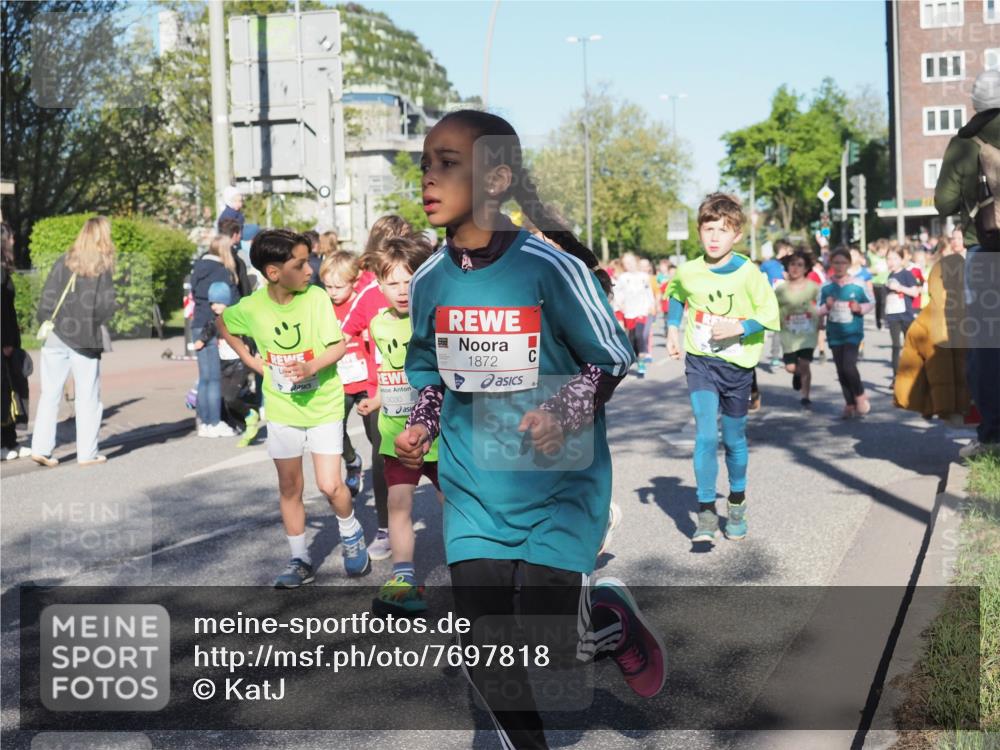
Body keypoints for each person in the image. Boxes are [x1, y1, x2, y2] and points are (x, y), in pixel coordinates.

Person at [395, 109, 664, 749]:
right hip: (473, 489)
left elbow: (612, 354)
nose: (429, 178)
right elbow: (427, 368)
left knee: (553, 645)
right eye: (425, 164)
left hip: (557, 485)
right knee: (483, 641)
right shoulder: (429, 278)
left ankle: (607, 620)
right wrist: (422, 424)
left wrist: (564, 411)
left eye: (448, 164)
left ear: (497, 180)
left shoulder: (548, 265)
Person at [218, 228, 369, 586]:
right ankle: (299, 559)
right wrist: (251, 360)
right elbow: (223, 323)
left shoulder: (315, 298)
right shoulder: (253, 306)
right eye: (300, 264)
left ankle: (350, 532)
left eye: (309, 262)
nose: (309, 271)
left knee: (331, 486)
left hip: (323, 404)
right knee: (289, 487)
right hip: (284, 410)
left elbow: (337, 347)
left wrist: (311, 367)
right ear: (274, 273)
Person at [666, 193, 780, 543]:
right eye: (709, 228)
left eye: (723, 229)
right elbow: (677, 292)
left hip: (738, 366)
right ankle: (704, 513)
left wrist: (739, 328)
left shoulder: (749, 273)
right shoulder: (689, 270)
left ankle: (736, 502)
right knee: (704, 435)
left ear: (737, 235)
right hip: (701, 362)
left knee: (733, 440)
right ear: (699, 231)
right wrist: (672, 329)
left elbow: (768, 314)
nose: (715, 236)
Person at [361, 235, 443, 616]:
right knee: (398, 504)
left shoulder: (435, 319)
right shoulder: (378, 325)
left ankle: (475, 572)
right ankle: (404, 578)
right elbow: (385, 372)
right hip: (395, 431)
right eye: (392, 282)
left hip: (439, 434)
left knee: (454, 504)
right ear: (379, 285)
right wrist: (375, 399)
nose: (402, 290)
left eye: (410, 281)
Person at [338, 214, 413, 561]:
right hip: (381, 391)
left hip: (424, 387)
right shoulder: (369, 292)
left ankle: (462, 528)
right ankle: (386, 528)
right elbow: (343, 333)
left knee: (442, 460)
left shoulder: (420, 283)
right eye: (395, 240)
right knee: (385, 459)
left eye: (407, 240)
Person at [934, 69, 1000, 456]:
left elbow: (943, 202)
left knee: (989, 347)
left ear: (975, 103)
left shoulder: (965, 143)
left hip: (986, 249)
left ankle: (992, 436)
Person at [30, 217, 117, 467]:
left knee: (49, 394)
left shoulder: (65, 260)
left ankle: (41, 448)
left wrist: (47, 320)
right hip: (85, 339)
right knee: (87, 396)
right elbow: (105, 307)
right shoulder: (101, 267)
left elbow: (47, 297)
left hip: (57, 335)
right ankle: (87, 453)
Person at [320, 251, 372, 499]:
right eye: (328, 286)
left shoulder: (364, 302)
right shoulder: (323, 307)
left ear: (354, 280)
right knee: (334, 430)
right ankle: (352, 461)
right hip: (339, 381)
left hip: (366, 380)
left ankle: (388, 475)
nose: (332, 292)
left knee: (376, 435)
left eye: (338, 286)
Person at [193, 281, 260, 445]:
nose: (215, 306)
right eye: (212, 303)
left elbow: (250, 333)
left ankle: (251, 414)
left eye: (218, 302)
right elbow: (209, 329)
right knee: (224, 397)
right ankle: (246, 424)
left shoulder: (235, 317)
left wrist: (252, 349)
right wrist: (201, 340)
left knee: (230, 397)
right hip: (224, 365)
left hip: (239, 364)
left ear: (227, 301)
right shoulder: (215, 321)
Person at [190, 235, 239, 438]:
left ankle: (203, 422)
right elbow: (231, 299)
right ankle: (214, 422)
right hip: (212, 325)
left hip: (197, 324)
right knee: (214, 378)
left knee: (204, 378)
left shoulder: (198, 268)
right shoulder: (221, 271)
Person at [819, 248, 873, 419]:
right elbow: (816, 309)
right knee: (840, 369)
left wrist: (860, 308)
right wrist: (825, 307)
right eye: (836, 262)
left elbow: (871, 301)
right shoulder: (826, 286)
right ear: (831, 264)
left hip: (853, 332)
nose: (840, 266)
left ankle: (860, 395)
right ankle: (849, 404)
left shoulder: (858, 284)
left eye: (843, 262)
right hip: (835, 333)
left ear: (849, 264)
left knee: (849, 366)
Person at [775, 250, 820, 406]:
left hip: (808, 334)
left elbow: (821, 305)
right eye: (792, 264)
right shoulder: (781, 290)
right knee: (790, 367)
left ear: (806, 268)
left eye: (800, 265)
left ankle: (805, 396)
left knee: (805, 364)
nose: (795, 268)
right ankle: (796, 374)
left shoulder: (813, 287)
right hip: (788, 333)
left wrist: (821, 319)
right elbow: (772, 308)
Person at [1, 222, 30, 460]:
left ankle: (10, 441)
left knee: (10, 390)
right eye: (10, 238)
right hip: (4, 343)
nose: (13, 241)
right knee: (4, 390)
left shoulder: (4, 269)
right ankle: (4, 443)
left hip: (7, 342)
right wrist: (6, 341)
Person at [614, 252, 656, 377]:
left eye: (631, 261)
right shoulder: (623, 277)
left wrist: (651, 305)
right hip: (629, 312)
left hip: (641, 311)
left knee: (640, 335)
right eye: (626, 263)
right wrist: (619, 304)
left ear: (636, 261)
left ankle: (642, 361)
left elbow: (649, 292)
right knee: (632, 340)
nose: (629, 265)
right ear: (624, 265)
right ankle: (636, 359)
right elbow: (617, 292)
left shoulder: (644, 276)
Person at [885, 247, 921, 378]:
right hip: (893, 316)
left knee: (910, 347)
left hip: (906, 316)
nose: (891, 262)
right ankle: (896, 377)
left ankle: (913, 374)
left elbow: (915, 292)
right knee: (895, 346)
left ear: (901, 260)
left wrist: (899, 288)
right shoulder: (889, 276)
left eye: (895, 258)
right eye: (888, 259)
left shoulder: (907, 274)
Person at [867, 238, 890, 330]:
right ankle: (878, 320)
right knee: (878, 303)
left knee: (884, 302)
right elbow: (868, 268)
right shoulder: (873, 257)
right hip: (875, 283)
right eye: (881, 250)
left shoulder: (887, 258)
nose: (883, 252)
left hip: (885, 283)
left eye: (885, 250)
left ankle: (883, 319)